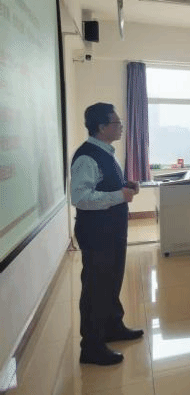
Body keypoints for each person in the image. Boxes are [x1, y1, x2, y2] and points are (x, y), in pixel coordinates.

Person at [70, 103, 143, 366]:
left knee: (112, 281)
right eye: (116, 123)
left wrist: (125, 187)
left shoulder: (105, 152)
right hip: (97, 232)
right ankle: (91, 347)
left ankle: (113, 326)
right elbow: (80, 197)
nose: (121, 127)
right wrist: (119, 195)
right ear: (101, 127)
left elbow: (103, 186)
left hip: (112, 230)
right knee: (96, 288)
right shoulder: (87, 157)